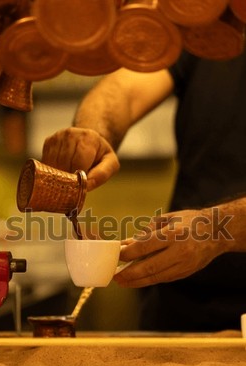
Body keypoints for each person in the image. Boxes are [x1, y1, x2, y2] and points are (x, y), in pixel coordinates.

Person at [41, 50, 246, 332]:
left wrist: (217, 230)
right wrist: (91, 133)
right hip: (182, 298)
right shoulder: (208, 27)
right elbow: (124, 90)